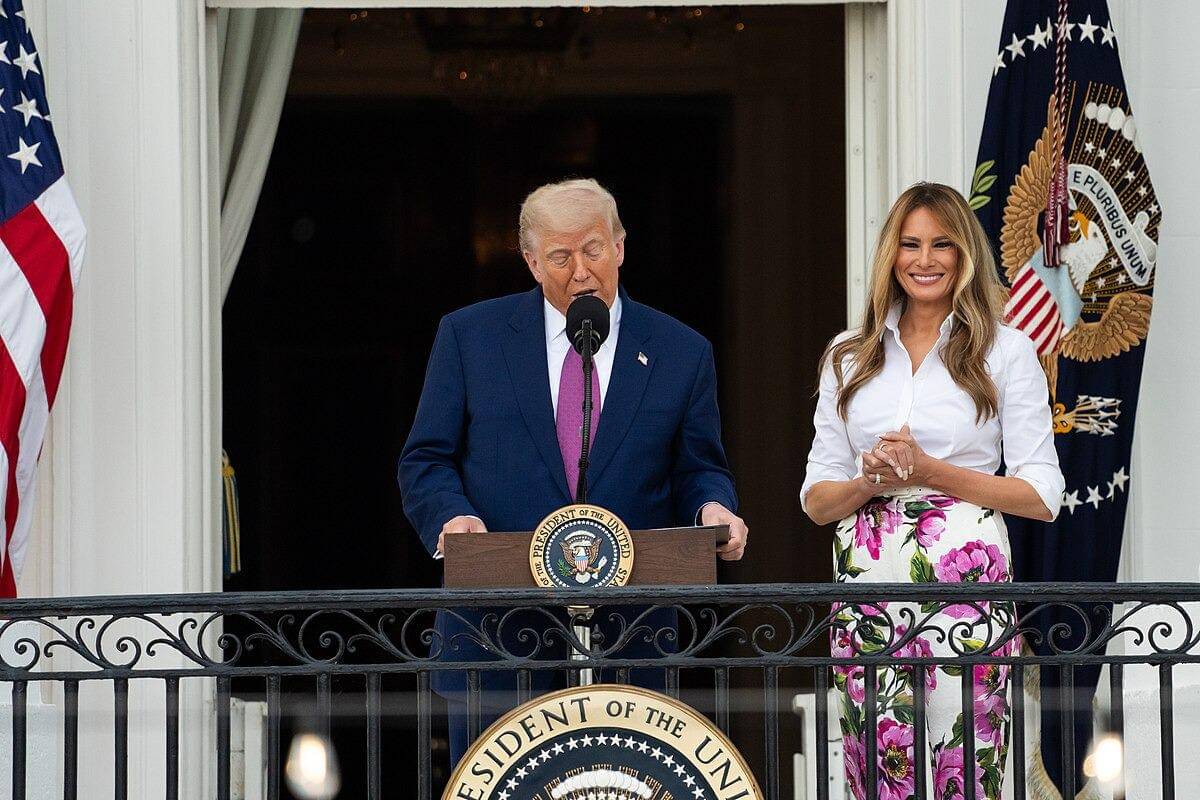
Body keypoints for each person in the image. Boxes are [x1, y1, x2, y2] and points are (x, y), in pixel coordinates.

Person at [399, 177, 748, 767]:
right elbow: (426, 461)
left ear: (620, 246)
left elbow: (699, 469)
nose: (581, 270)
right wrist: (453, 518)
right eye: (561, 256)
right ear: (533, 263)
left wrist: (712, 509)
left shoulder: (680, 351)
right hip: (496, 637)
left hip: (632, 639)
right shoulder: (469, 338)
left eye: (593, 248)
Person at [801, 182, 1063, 800]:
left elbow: (1042, 494)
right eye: (911, 244)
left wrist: (929, 472)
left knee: (964, 756)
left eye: (942, 245)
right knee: (875, 755)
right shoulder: (847, 355)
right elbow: (815, 499)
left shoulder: (1006, 351)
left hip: (962, 577)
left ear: (965, 254)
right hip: (867, 581)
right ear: (891, 255)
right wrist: (869, 480)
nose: (925, 260)